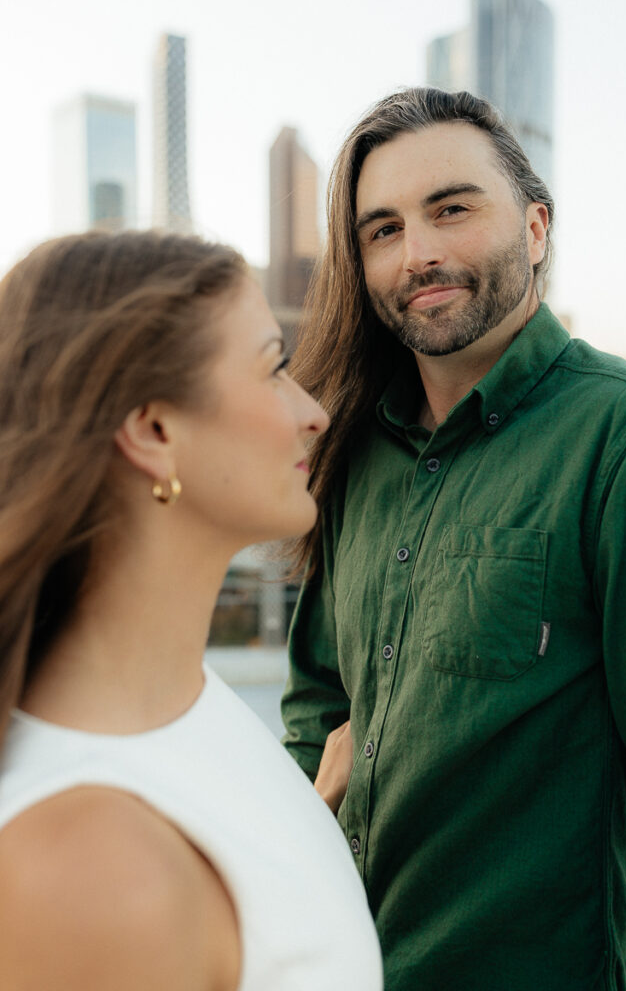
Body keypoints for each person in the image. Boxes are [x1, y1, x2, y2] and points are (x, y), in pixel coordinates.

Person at [281, 88, 626, 990]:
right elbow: (315, 708)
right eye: (380, 230)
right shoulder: (353, 449)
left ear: (535, 227)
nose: (417, 252)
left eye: (451, 210)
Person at [0, 230, 383, 991]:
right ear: (154, 431)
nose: (311, 411)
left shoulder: (181, 703)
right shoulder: (94, 875)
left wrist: (305, 815)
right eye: (274, 366)